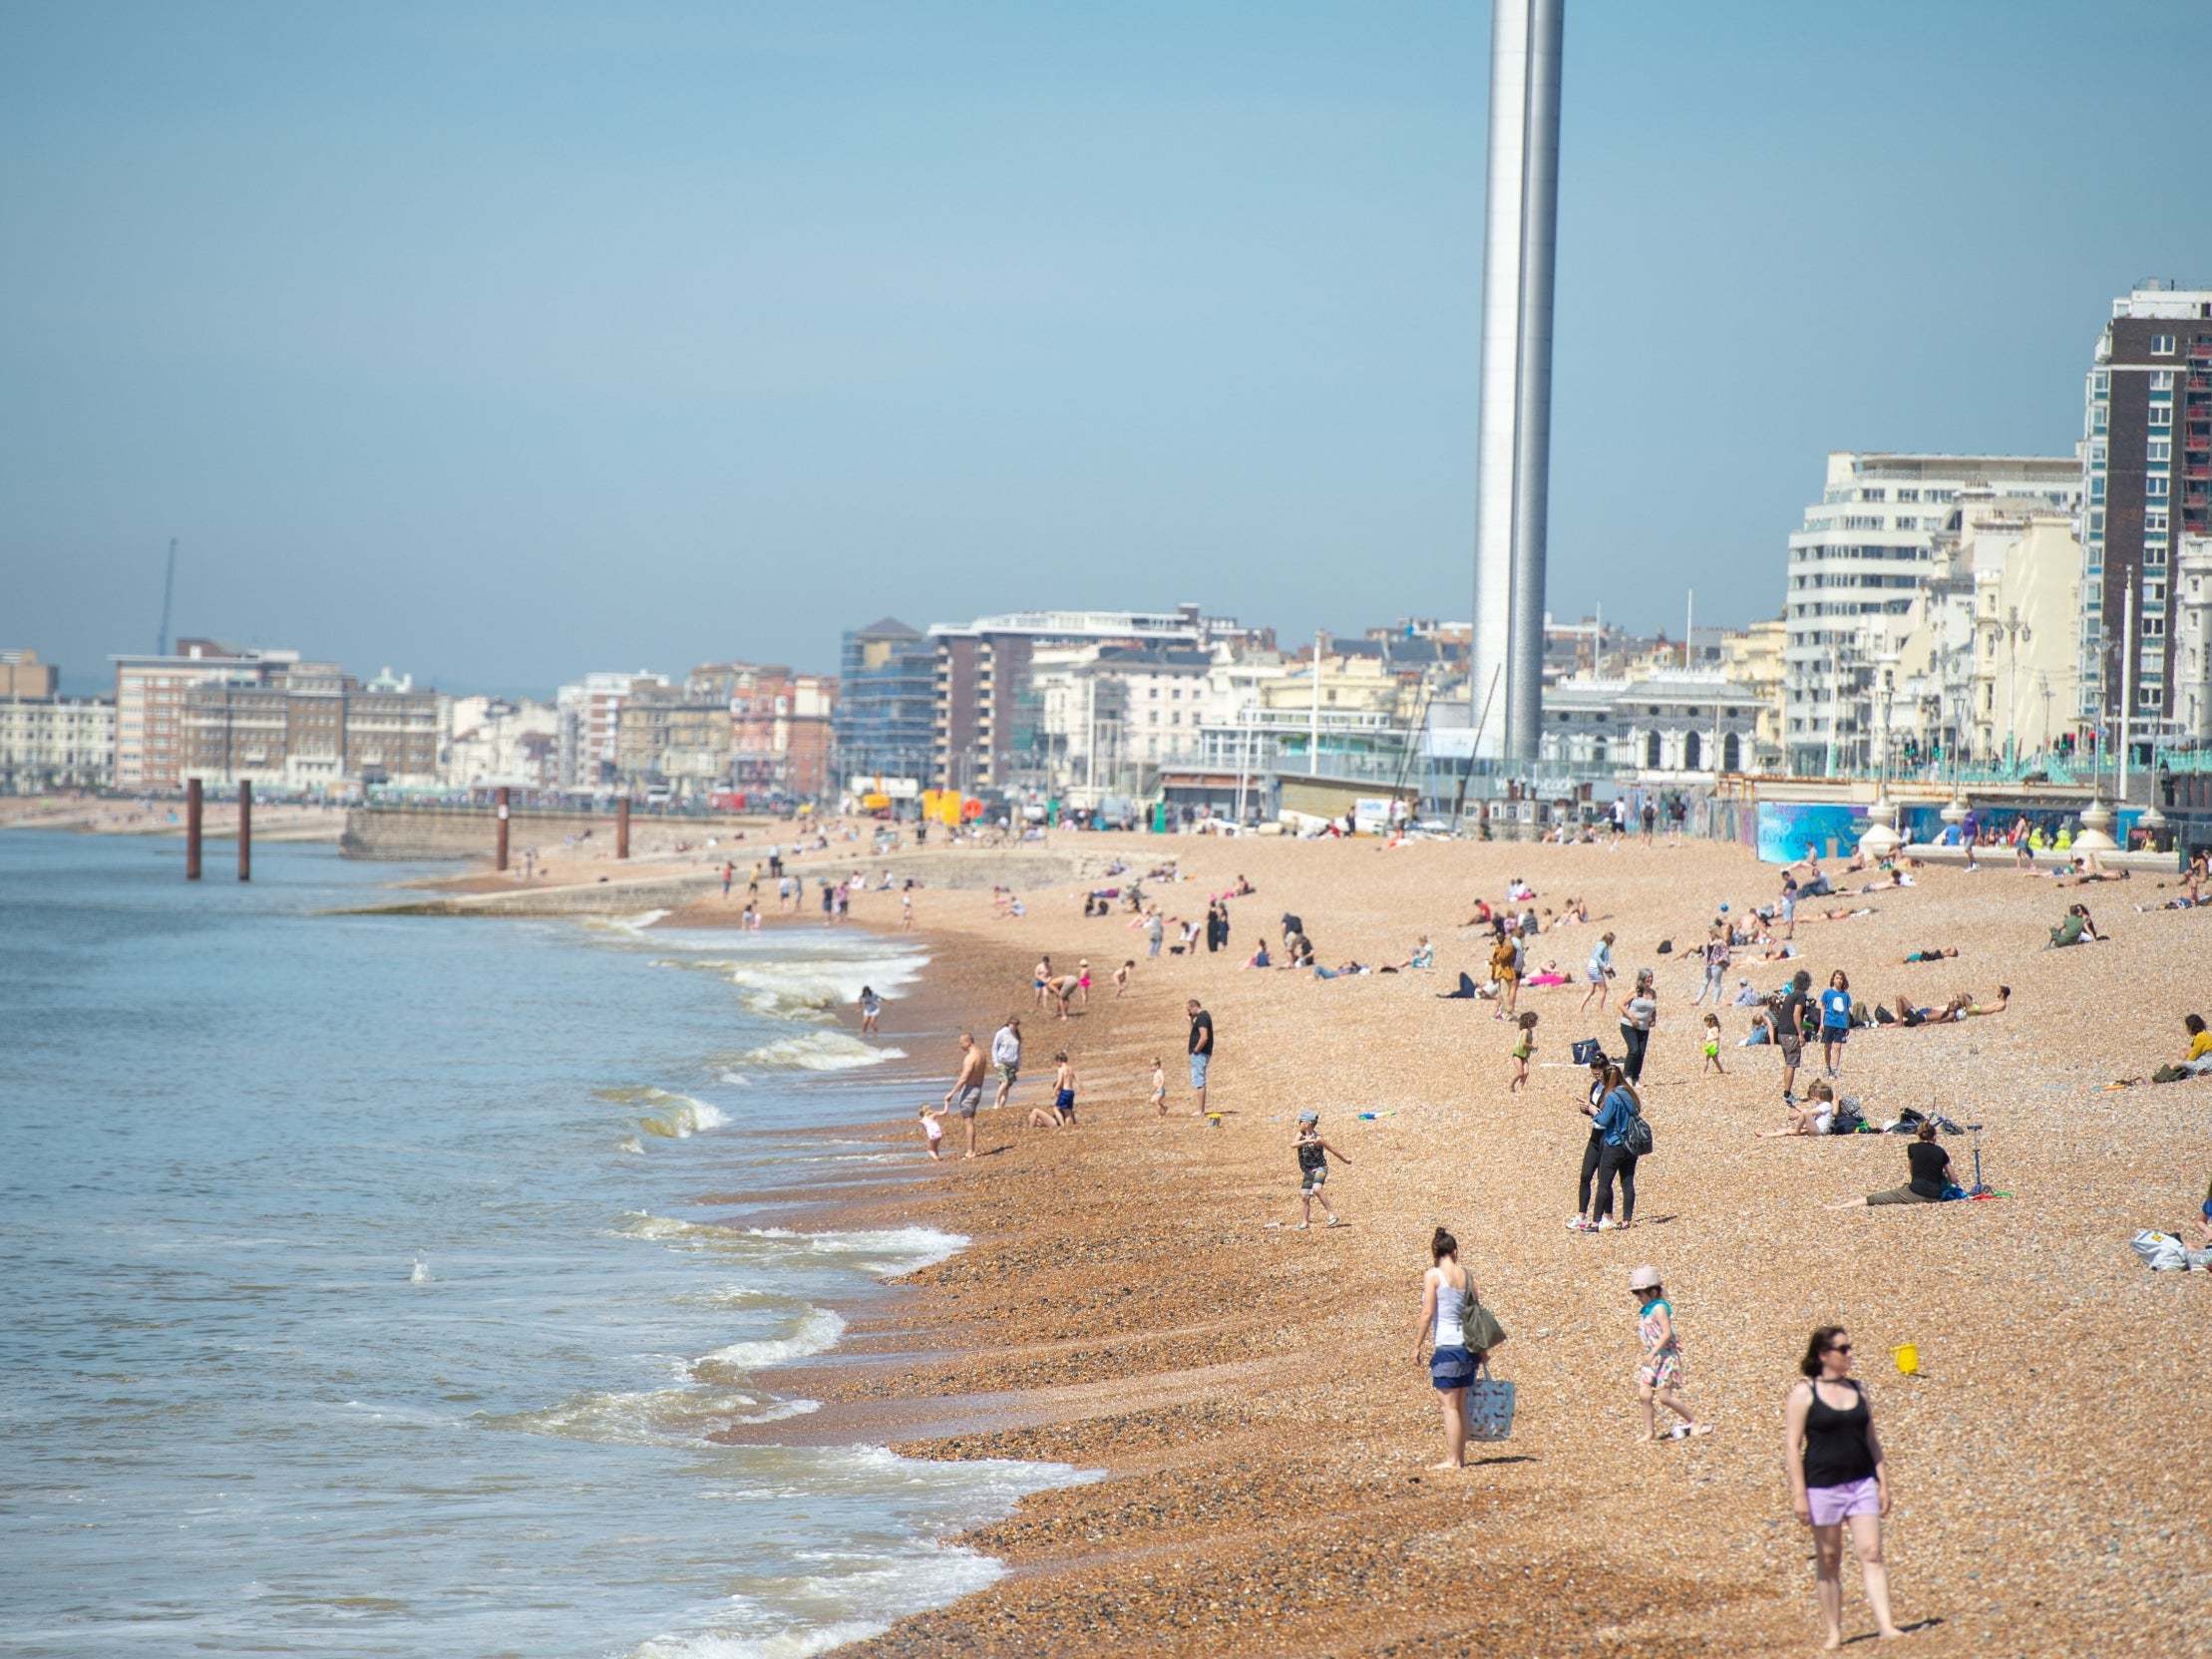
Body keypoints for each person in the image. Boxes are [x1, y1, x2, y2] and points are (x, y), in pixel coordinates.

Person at [1784, 1326, 1906, 1647]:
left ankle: (1887, 1625)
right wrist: (1799, 1494)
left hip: (1862, 1481)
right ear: (1824, 1355)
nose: (1850, 1354)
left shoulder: (1859, 1389)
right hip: (1822, 1487)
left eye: (1849, 1347)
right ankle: (1834, 1632)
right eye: (1843, 1349)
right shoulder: (1804, 1394)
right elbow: (1792, 1446)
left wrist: (1883, 1483)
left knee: (1872, 1552)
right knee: (1828, 1557)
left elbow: (1872, 1440)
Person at [1414, 1227, 1479, 1469]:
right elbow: (1475, 1312)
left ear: (1436, 1252)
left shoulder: (1433, 1275)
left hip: (1447, 1345)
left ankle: (1453, 1460)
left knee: (1449, 1406)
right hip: (1467, 1346)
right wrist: (1481, 1348)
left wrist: (1417, 1346)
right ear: (1455, 1251)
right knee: (1460, 1403)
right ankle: (1460, 1458)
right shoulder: (1466, 1276)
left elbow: (1427, 1312)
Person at [1631, 1265, 1710, 1443]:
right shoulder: (1646, 1311)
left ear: (1652, 1292)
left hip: (1665, 1357)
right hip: (1653, 1359)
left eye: (1640, 1293)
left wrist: (1652, 1352)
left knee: (1664, 1397)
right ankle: (1649, 1433)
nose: (1637, 1297)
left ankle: (1695, 1421)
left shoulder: (1659, 1308)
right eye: (1635, 1294)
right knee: (1644, 1394)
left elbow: (1666, 1333)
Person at [1831, 1120, 1952, 1207]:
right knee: (1905, 1188)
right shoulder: (1941, 1151)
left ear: (1919, 1135)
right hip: (1936, 1195)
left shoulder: (1913, 1147)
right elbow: (1954, 1178)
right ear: (1934, 1137)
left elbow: (1911, 1169)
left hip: (1916, 1192)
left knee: (1875, 1198)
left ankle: (1840, 1207)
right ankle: (1840, 1207)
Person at [1586, 1064, 1643, 1231]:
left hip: (1615, 1144)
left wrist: (1593, 1110)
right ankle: (1626, 1220)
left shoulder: (1612, 1097)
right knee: (1627, 1182)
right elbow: (1636, 1111)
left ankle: (1595, 1223)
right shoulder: (1629, 1093)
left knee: (1604, 1183)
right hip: (1631, 1144)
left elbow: (1603, 1121)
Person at [1568, 1054, 1612, 1232]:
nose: (1596, 1077)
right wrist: (1586, 1110)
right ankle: (1581, 1215)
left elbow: (1607, 1114)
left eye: (1599, 1074)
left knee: (1604, 1179)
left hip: (1607, 1135)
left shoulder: (1613, 1089)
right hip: (1595, 1134)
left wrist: (1593, 1109)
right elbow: (1594, 1111)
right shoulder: (1596, 1086)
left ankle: (1607, 1216)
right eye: (1594, 1074)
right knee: (1585, 1175)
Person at [1291, 1109, 1347, 1228]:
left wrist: (1345, 1160)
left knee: (1317, 1189)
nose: (1299, 1124)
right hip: (1308, 1171)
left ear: (1307, 1123)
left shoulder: (1318, 1138)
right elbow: (1293, 1145)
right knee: (1305, 1196)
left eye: (1300, 1121)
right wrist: (1307, 1140)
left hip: (1320, 1168)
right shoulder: (1300, 1135)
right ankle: (1305, 1222)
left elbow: (1332, 1150)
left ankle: (1332, 1214)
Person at [943, 1032, 987, 1161]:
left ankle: (970, 1151)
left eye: (961, 1043)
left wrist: (951, 1093)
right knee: (970, 1120)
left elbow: (964, 1077)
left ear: (968, 1042)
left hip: (970, 1090)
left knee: (968, 1121)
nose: (960, 1046)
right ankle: (971, 1149)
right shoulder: (982, 1054)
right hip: (978, 1089)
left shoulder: (970, 1057)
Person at [1617, 968, 1658, 1085]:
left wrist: (1653, 1019)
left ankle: (1635, 1078)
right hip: (1629, 1025)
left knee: (1641, 1053)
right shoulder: (1635, 990)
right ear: (1642, 978)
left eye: (1651, 977)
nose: (1649, 980)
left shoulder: (1653, 993)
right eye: (1647, 977)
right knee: (1634, 1050)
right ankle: (1627, 1075)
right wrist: (1631, 1017)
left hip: (1644, 1027)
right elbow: (1620, 1004)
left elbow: (1653, 1008)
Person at [1818, 971, 1852, 1078]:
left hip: (1841, 1024)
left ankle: (1836, 1069)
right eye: (1837, 978)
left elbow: (1847, 1010)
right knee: (1827, 1047)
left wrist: (1848, 1025)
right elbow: (1823, 1008)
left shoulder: (1846, 995)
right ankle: (1828, 1067)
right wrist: (1821, 1023)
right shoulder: (1827, 993)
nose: (1839, 980)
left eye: (1841, 979)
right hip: (1829, 1022)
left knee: (1838, 1047)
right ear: (1833, 979)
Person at [1187, 998, 1214, 1118]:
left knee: (1199, 1081)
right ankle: (1200, 1110)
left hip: (1200, 1054)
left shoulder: (1202, 1017)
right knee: (1198, 1080)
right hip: (1201, 1054)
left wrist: (1196, 1050)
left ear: (1194, 1007)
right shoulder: (1202, 1017)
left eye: (1189, 1011)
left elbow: (1204, 1037)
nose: (1189, 1013)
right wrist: (1191, 1021)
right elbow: (1195, 1033)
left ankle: (1200, 1111)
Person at [1693, 922, 1730, 1007]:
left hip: (1717, 966)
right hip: (1709, 965)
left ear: (1714, 932)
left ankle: (1715, 1002)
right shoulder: (1711, 941)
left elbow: (1725, 953)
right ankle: (1697, 1000)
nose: (1709, 934)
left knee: (1717, 984)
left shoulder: (1721, 942)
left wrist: (1718, 960)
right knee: (1705, 982)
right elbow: (1708, 952)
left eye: (1710, 932)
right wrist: (1704, 958)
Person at [1580, 931, 1617, 1014]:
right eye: (1612, 941)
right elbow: (1596, 957)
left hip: (1590, 967)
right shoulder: (1603, 945)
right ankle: (1600, 1010)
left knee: (1592, 990)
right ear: (1609, 940)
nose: (1612, 942)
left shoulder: (1599, 944)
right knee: (1604, 989)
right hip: (1595, 968)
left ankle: (1580, 1008)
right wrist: (1604, 966)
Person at [990, 1016, 1022, 1110]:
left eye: (1016, 1025)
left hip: (1013, 1064)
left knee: (1006, 1086)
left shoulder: (1016, 1035)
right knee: (1004, 1082)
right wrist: (995, 1062)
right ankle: (996, 1103)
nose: (1014, 1026)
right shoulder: (1001, 1033)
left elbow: (1019, 1051)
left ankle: (1002, 1106)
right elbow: (994, 1048)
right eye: (1013, 1024)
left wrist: (1018, 1064)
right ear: (1009, 1023)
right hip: (1002, 1062)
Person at [1490, 925, 1521, 1020]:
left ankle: (1508, 1013)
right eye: (1497, 937)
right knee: (1501, 993)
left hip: (1506, 973)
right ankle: (1501, 1012)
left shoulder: (1508, 946)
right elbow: (1497, 959)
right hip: (1500, 973)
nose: (1498, 939)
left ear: (1504, 936)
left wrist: (1497, 946)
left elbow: (1502, 957)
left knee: (1504, 993)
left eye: (1500, 937)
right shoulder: (1502, 945)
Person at [1509, 1010, 1537, 1093]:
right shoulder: (1525, 1031)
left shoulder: (1530, 1031)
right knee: (1520, 1073)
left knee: (1526, 1072)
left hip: (1524, 1055)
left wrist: (1531, 1048)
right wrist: (1532, 1046)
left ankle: (1521, 1088)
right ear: (1529, 1022)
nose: (1536, 1023)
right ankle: (1512, 1085)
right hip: (1517, 1054)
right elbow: (1524, 1043)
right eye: (1534, 1021)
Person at [1700, 1011, 1724, 1076]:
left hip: (1712, 1046)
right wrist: (1704, 1037)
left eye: (1707, 1022)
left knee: (1706, 1058)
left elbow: (1717, 1036)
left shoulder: (1715, 1028)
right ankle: (1721, 1071)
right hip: (1711, 1046)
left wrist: (1709, 1039)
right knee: (1715, 1060)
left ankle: (1703, 1072)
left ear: (1712, 1022)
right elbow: (1709, 1035)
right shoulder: (1710, 1028)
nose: (1705, 1023)